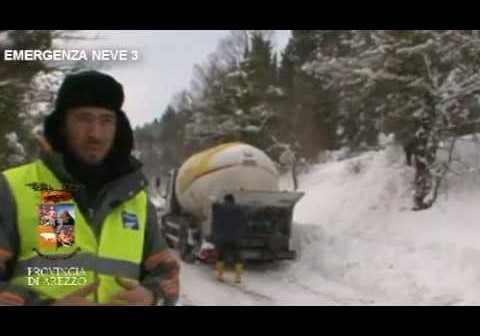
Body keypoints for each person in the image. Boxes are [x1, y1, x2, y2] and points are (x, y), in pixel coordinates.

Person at [0, 71, 180, 305]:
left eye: (106, 120)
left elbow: (167, 273)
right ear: (62, 124)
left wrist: (152, 296)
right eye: (84, 118)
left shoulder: (136, 200)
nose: (96, 133)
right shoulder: (14, 188)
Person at [212, 194, 245, 283]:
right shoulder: (238, 209)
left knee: (221, 257)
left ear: (225, 199)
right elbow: (243, 221)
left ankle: (220, 276)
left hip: (222, 238)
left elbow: (214, 215)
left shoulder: (219, 208)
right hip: (235, 238)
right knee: (237, 258)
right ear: (233, 200)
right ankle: (238, 278)